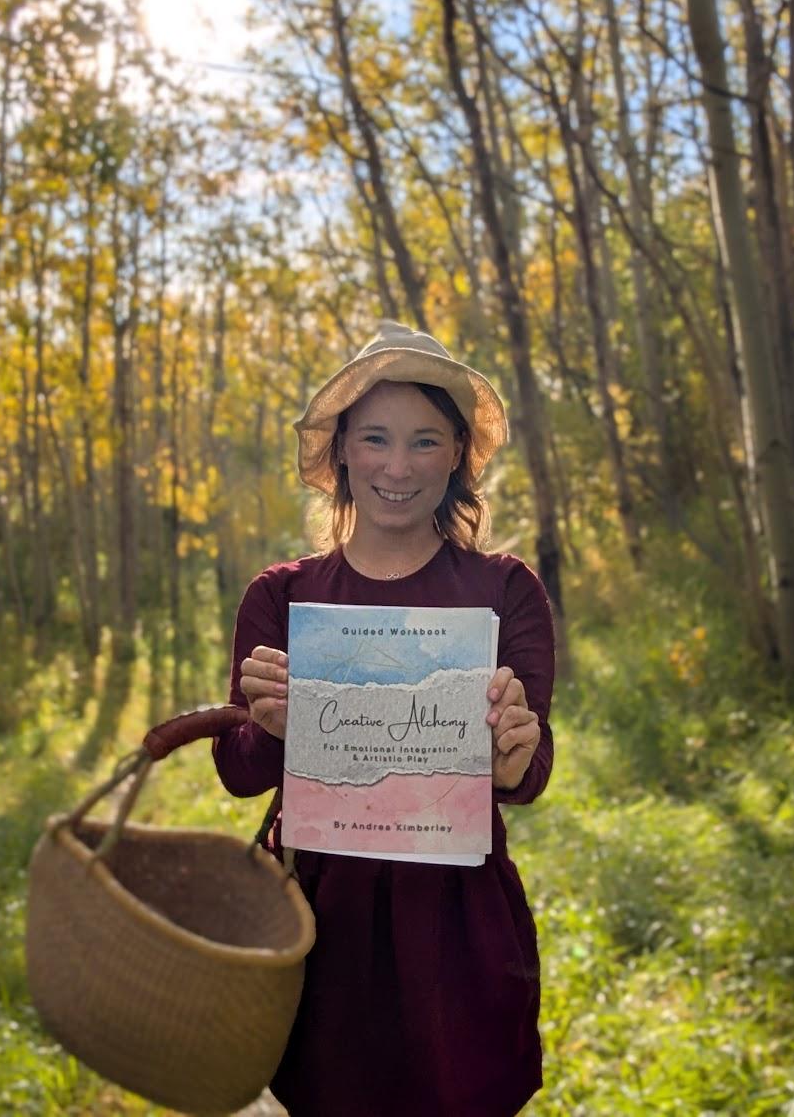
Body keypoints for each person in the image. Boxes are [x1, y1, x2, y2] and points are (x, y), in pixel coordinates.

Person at [213, 320, 555, 1117]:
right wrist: (265, 721)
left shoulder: (505, 590)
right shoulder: (283, 596)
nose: (397, 467)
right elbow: (238, 772)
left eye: (425, 442)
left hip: (455, 926)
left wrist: (513, 751)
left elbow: (528, 776)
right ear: (340, 453)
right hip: (319, 917)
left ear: (458, 457)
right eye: (375, 439)